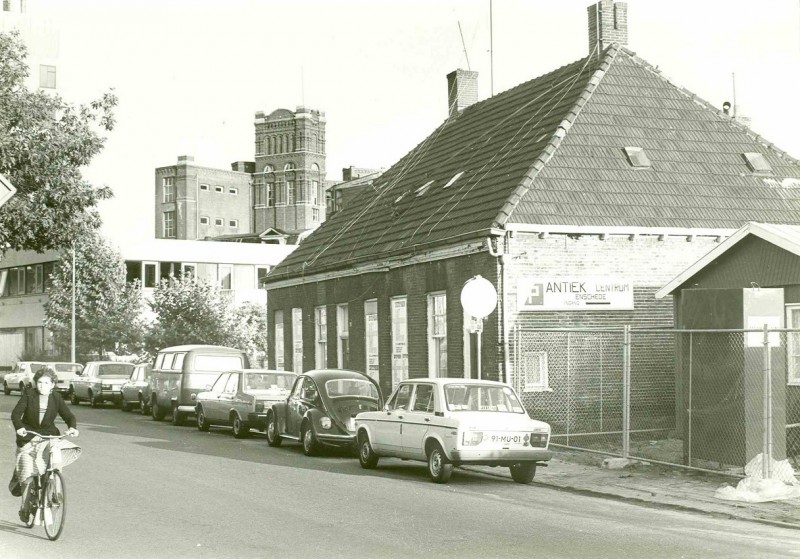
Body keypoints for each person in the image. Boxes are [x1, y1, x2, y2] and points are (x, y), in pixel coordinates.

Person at [10, 367, 80, 523]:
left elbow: (68, 415)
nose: (42, 386)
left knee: (56, 452)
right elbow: (16, 414)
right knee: (27, 470)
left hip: (48, 435)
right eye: (39, 383)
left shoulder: (56, 398)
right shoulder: (29, 395)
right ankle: (25, 508)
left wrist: (73, 427)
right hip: (29, 437)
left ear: (52, 384)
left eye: (46, 383)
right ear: (36, 384)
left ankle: (56, 491)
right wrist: (20, 428)